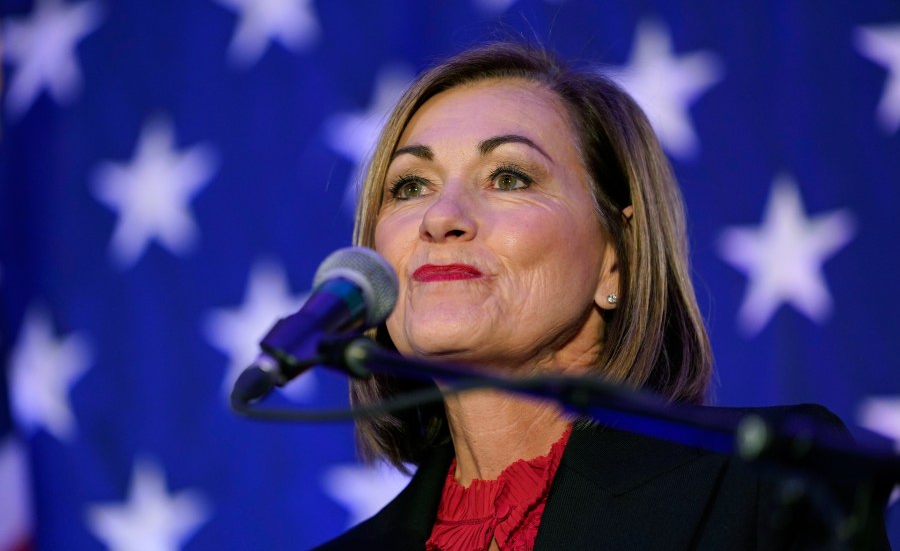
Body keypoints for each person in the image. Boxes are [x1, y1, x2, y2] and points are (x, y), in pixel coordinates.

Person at [316, 42, 892, 550]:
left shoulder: (766, 486)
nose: (441, 218)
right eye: (410, 186)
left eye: (509, 177)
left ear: (615, 257)